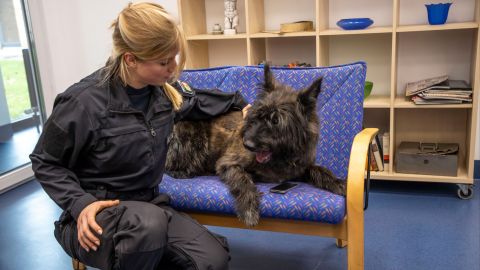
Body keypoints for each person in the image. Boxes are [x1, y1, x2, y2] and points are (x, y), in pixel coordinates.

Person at [30, 3, 250, 270]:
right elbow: (45, 161)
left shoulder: (163, 92)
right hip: (95, 217)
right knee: (148, 226)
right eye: (163, 62)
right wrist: (80, 204)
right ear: (131, 59)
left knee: (212, 259)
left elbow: (198, 102)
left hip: (148, 207)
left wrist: (241, 105)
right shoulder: (82, 102)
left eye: (175, 58)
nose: (173, 68)